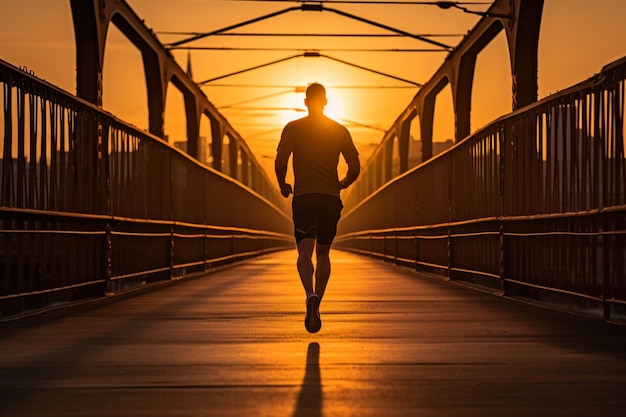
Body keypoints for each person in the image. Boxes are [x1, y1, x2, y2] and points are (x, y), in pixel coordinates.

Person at [275, 82, 360, 333]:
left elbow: (280, 162)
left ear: (305, 102)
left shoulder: (293, 128)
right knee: (323, 253)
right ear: (325, 102)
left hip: (304, 198)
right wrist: (342, 183)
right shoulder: (339, 130)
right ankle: (318, 302)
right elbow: (354, 168)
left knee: (304, 252)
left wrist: (282, 184)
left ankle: (309, 294)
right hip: (330, 199)